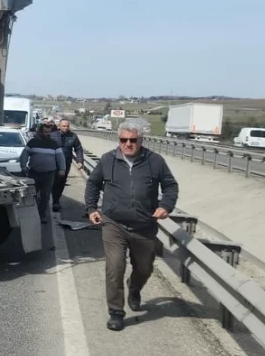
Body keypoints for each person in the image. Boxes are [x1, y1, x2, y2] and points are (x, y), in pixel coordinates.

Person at [84, 121, 179, 332]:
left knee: (144, 268)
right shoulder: (108, 160)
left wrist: (166, 206)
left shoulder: (155, 161)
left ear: (141, 141)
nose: (128, 144)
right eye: (123, 140)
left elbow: (171, 186)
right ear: (119, 140)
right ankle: (116, 312)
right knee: (115, 268)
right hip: (113, 224)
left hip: (145, 226)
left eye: (133, 140)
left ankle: (134, 288)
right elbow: (93, 183)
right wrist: (91, 208)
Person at [18, 119, 66, 224]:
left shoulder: (54, 144)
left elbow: (60, 158)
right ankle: (31, 215)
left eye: (49, 132)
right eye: (45, 132)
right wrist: (23, 166)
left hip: (49, 174)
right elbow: (24, 155)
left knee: (45, 196)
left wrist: (62, 169)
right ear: (40, 132)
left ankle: (41, 215)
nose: (48, 134)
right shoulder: (32, 142)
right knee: (31, 195)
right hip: (34, 173)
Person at [50, 118, 86, 212]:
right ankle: (54, 201)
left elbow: (78, 148)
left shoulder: (73, 136)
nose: (66, 128)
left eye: (67, 126)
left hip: (66, 163)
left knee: (62, 182)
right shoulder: (52, 135)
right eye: (64, 126)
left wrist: (80, 161)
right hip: (54, 163)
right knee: (54, 182)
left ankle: (56, 200)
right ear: (59, 126)